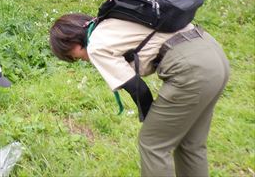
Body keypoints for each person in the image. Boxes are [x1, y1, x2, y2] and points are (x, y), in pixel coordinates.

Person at [49, 12, 230, 177]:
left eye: (74, 56)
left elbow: (139, 90)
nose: (82, 60)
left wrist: (151, 119)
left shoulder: (95, 45)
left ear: (71, 42)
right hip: (212, 53)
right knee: (190, 143)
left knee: (153, 143)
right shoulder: (112, 21)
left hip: (193, 71)